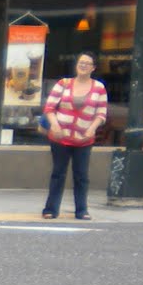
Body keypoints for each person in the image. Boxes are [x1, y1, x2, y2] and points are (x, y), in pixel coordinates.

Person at [41, 51, 107, 220]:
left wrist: (92, 128)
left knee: (81, 176)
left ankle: (82, 210)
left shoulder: (99, 87)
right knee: (58, 173)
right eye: (80, 62)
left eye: (87, 63)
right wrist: (55, 125)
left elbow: (101, 113)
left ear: (93, 68)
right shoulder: (63, 83)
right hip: (60, 137)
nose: (83, 65)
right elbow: (49, 108)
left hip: (84, 139)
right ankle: (50, 209)